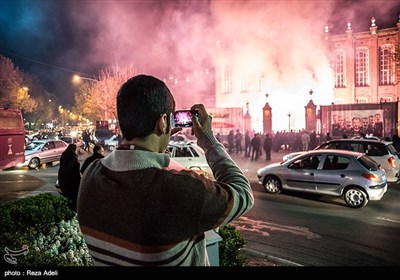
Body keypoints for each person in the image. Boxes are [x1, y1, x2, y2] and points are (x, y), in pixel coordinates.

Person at [77, 74, 254, 266]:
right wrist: (208, 141)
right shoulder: (179, 190)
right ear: (163, 121)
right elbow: (243, 193)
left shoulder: (91, 175)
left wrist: (161, 139)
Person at [58, 143, 81, 211]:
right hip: (71, 180)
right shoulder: (72, 156)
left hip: (63, 178)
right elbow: (70, 168)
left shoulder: (64, 155)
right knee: (73, 196)